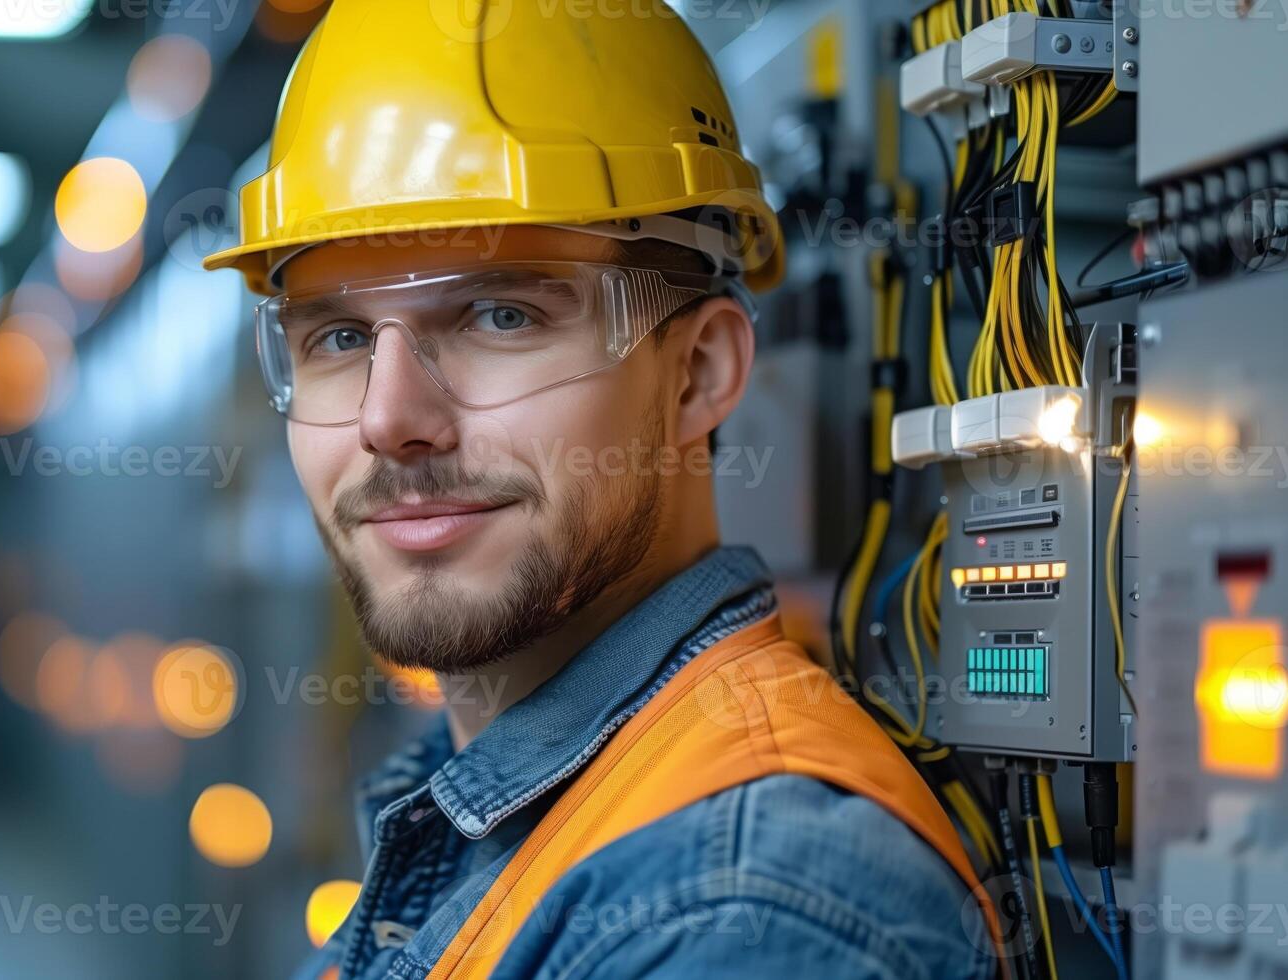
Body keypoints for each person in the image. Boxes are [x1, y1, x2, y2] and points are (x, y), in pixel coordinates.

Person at [205, 2, 1000, 977]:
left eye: (501, 314)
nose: (388, 418)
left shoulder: (748, 910)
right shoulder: (483, 816)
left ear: (698, 371)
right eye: (337, 337)